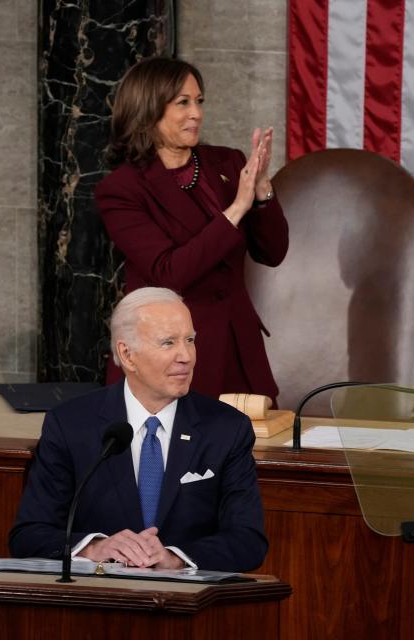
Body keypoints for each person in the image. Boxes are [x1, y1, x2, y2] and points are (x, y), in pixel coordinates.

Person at [9, 287, 267, 572]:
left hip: (189, 606)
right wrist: (95, 548)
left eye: (190, 340)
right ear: (127, 355)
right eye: (168, 343)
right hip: (100, 603)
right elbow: (28, 535)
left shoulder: (226, 429)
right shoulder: (71, 424)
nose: (186, 356)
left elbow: (248, 541)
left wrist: (176, 558)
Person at [95, 57, 288, 402]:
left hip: (238, 353)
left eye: (199, 101)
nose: (196, 113)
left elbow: (273, 252)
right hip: (170, 359)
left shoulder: (227, 163)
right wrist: (236, 209)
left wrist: (261, 193)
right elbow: (169, 272)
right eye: (182, 102)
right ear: (149, 109)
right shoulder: (122, 189)